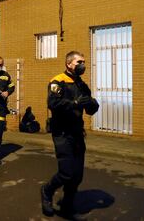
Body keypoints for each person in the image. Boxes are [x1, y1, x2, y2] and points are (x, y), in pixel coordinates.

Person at [41, 51, 99, 220]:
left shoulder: (81, 84)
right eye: (79, 62)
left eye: (84, 62)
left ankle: (67, 205)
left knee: (77, 175)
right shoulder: (58, 81)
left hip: (77, 133)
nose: (83, 65)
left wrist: (93, 104)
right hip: (62, 133)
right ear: (69, 64)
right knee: (66, 173)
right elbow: (53, 103)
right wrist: (74, 103)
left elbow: (90, 108)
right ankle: (47, 190)